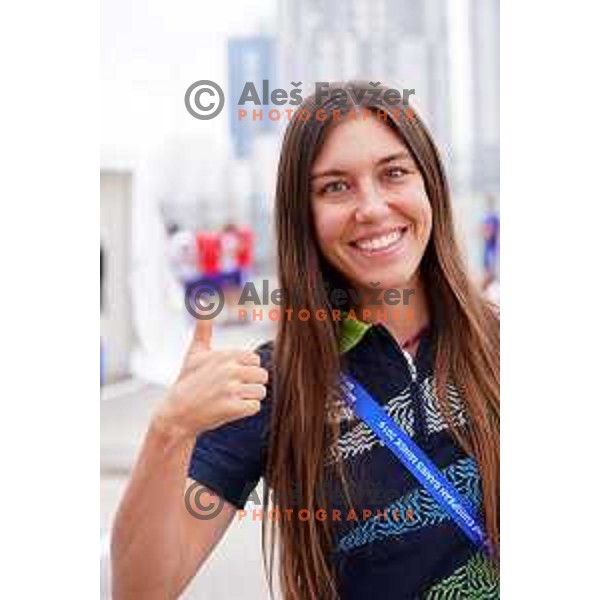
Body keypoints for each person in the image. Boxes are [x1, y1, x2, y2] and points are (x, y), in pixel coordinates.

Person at [111, 81, 500, 599]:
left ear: (430, 185)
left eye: (394, 173)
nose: (372, 207)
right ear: (305, 217)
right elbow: (141, 589)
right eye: (335, 186)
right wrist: (171, 430)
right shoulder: (270, 383)